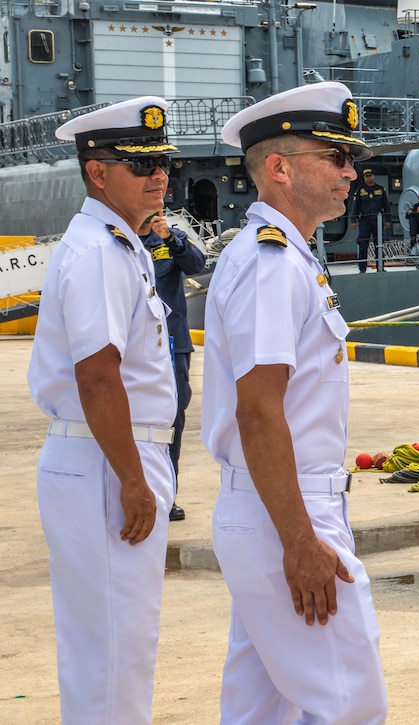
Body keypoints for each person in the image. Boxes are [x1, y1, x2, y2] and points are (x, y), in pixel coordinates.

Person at [204, 81, 387, 723]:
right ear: (278, 168)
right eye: (333, 156)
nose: (349, 171)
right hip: (287, 509)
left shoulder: (288, 257)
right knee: (351, 704)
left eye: (351, 159)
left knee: (264, 709)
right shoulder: (271, 265)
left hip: (273, 504)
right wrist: (299, 540)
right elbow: (258, 409)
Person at [28, 96, 178, 723]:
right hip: (106, 459)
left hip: (106, 454)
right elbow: (97, 377)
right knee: (115, 647)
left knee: (115, 645)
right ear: (97, 171)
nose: (159, 176)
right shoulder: (97, 252)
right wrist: (133, 480)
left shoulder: (121, 244)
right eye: (140, 164)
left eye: (162, 163)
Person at [138, 209, 205, 522]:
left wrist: (168, 237)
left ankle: (168, 494)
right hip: (136, 349)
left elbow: (196, 264)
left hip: (174, 346)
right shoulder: (119, 244)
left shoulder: (171, 239)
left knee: (172, 422)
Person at [350, 167, 391, 271]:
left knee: (379, 244)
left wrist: (388, 220)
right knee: (363, 244)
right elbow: (355, 206)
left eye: (370, 175)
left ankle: (380, 267)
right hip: (364, 220)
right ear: (364, 178)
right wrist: (353, 220)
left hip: (378, 219)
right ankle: (362, 268)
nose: (369, 178)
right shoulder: (360, 190)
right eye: (366, 176)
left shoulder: (381, 189)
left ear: (373, 176)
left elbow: (386, 206)